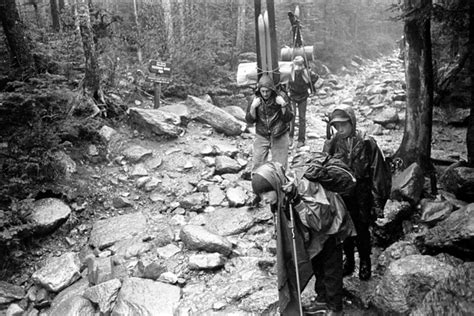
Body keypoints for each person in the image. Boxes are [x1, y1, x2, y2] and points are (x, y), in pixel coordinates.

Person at [252, 161, 355, 316]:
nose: (264, 199)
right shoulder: (281, 192)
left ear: (275, 185)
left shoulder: (303, 186)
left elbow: (319, 221)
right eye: (260, 196)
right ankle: (322, 300)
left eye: (266, 193)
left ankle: (335, 308)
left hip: (331, 229)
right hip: (314, 236)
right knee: (318, 266)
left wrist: (297, 200)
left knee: (331, 270)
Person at [323, 104, 391, 281]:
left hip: (362, 191)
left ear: (352, 122)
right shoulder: (333, 143)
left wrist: (378, 203)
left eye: (343, 125)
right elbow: (324, 167)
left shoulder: (367, 143)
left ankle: (365, 262)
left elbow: (379, 174)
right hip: (342, 192)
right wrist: (327, 143)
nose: (340, 129)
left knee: (362, 228)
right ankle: (350, 261)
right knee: (344, 227)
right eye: (336, 126)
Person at [246, 74, 293, 172]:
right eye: (262, 91)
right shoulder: (254, 99)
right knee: (257, 164)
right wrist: (253, 107)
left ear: (272, 89)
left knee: (280, 167)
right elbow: (250, 120)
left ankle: (280, 185)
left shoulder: (282, 96)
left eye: (267, 91)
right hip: (262, 134)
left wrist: (283, 105)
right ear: (259, 90)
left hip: (279, 133)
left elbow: (288, 118)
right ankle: (258, 185)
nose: (265, 94)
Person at [288, 55, 319, 149]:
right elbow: (284, 80)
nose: (297, 70)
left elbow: (316, 77)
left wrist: (311, 86)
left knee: (302, 118)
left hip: (303, 96)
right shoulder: (290, 72)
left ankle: (301, 140)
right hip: (293, 95)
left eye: (299, 68)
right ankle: (290, 137)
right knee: (291, 116)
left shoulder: (307, 73)